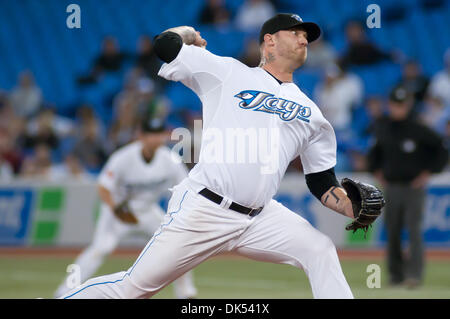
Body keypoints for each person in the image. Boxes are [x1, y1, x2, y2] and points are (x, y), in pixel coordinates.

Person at [61, 13, 381, 299]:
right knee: (133, 289)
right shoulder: (227, 72)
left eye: (306, 35)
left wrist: (349, 206)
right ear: (269, 41)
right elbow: (164, 45)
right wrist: (187, 33)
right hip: (205, 208)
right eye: (295, 32)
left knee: (320, 250)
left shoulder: (312, 113)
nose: (303, 38)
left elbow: (321, 180)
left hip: (260, 217)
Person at [55, 116, 197, 299]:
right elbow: (104, 187)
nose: (155, 138)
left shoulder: (170, 159)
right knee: (99, 249)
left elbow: (185, 188)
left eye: (158, 134)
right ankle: (64, 291)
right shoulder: (123, 157)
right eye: (150, 134)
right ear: (141, 136)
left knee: (176, 242)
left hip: (147, 211)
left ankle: (186, 294)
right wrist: (115, 209)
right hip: (119, 212)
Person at [367, 86, 448, 288]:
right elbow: (373, 153)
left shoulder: (418, 128)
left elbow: (441, 148)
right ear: (390, 105)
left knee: (414, 231)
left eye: (401, 105)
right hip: (392, 186)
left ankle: (414, 275)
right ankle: (395, 275)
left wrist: (428, 172)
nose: (398, 109)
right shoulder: (383, 128)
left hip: (413, 187)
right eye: (395, 104)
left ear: (408, 105)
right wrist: (376, 171)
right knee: (392, 231)